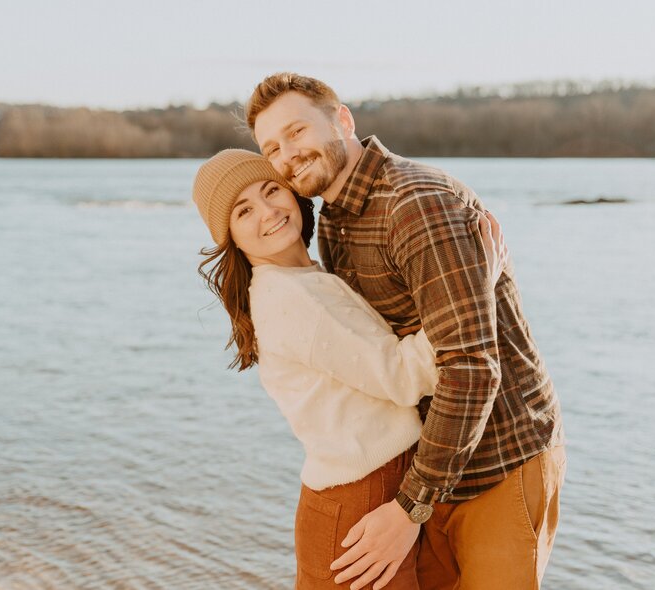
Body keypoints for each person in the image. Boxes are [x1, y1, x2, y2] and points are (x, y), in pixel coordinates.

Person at [245, 73, 566, 590]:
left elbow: (471, 368)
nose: (288, 154)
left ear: (342, 120)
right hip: (432, 468)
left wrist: (407, 506)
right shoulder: (333, 221)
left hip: (499, 458)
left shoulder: (415, 204)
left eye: (297, 131)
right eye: (272, 148)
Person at [192, 149, 507, 589]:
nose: (268, 212)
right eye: (244, 211)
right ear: (231, 237)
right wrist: (473, 288)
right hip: (360, 497)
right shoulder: (289, 297)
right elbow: (402, 377)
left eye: (271, 191)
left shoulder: (308, 278)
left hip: (373, 487)